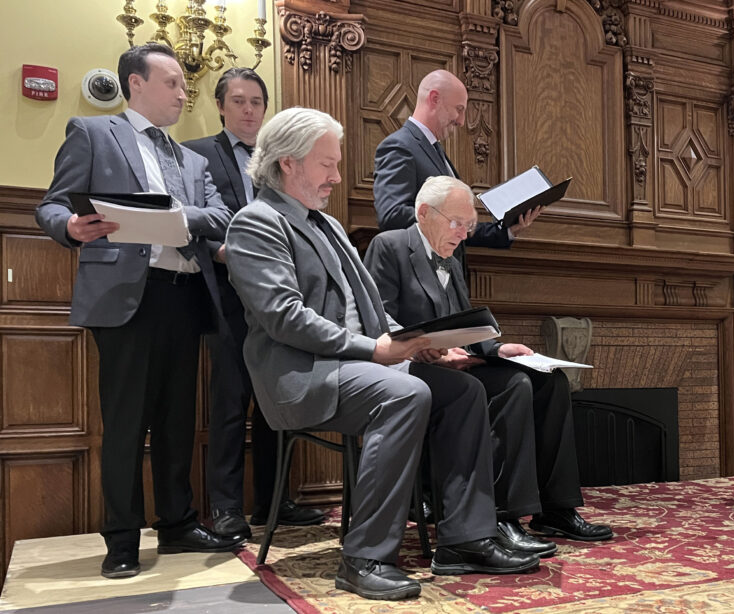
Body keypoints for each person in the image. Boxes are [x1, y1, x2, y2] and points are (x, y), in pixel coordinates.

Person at [224, 107, 539, 601]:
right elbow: (285, 317)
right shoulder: (255, 223)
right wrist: (379, 349)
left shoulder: (326, 225)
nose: (336, 176)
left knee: (462, 390)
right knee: (405, 392)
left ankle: (464, 538)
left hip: (356, 365)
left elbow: (371, 310)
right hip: (302, 375)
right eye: (326, 164)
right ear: (288, 163)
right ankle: (365, 556)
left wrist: (416, 342)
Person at [35, 43, 244, 580]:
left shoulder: (192, 159)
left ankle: (176, 523)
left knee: (179, 422)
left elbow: (220, 215)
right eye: (172, 83)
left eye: (183, 85)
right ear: (135, 84)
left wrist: (181, 215)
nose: (182, 93)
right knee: (127, 425)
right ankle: (123, 537)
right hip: (128, 297)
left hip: (186, 294)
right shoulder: (93, 133)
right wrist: (69, 227)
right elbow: (53, 205)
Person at [364, 175, 613, 555]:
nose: (464, 234)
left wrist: (497, 349)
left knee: (549, 381)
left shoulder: (451, 254)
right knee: (515, 387)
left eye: (469, 226)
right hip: (412, 368)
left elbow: (464, 321)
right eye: (457, 223)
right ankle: (503, 516)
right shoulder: (390, 246)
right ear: (424, 213)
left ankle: (556, 509)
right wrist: (422, 348)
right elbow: (377, 319)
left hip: (455, 362)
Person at [183, 68, 324, 539]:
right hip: (226, 299)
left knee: (274, 400)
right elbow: (187, 229)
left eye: (257, 102)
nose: (249, 110)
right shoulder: (197, 154)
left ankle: (273, 500)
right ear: (221, 106)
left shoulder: (286, 160)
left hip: (280, 300)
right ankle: (225, 507)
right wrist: (218, 252)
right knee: (229, 404)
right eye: (239, 101)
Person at [372, 69, 541, 261]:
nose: (461, 121)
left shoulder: (435, 150)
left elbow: (456, 226)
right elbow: (392, 215)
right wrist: (452, 220)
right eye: (459, 109)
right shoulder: (400, 146)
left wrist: (507, 230)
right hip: (420, 277)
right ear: (434, 98)